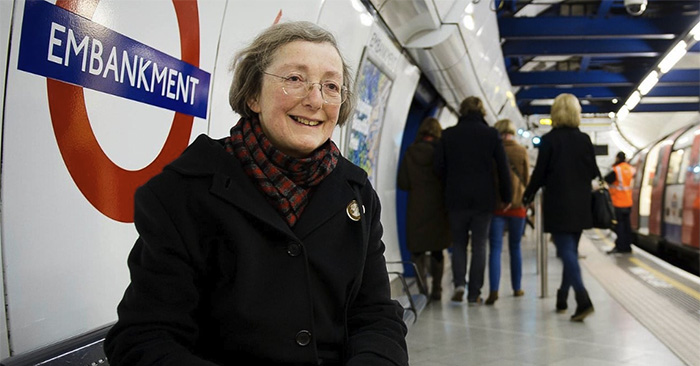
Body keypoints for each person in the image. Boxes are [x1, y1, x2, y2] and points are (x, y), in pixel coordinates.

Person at [104, 21, 409, 366]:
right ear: (252, 94)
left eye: (331, 86)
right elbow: (144, 337)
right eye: (295, 79)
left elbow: (375, 315)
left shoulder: (357, 195)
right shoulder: (183, 193)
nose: (315, 100)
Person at [522, 93, 599, 322]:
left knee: (566, 252)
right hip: (581, 203)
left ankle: (583, 299)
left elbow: (539, 174)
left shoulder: (549, 140)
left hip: (558, 202)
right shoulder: (584, 139)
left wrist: (527, 195)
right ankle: (563, 297)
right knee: (570, 252)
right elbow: (593, 171)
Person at [435, 96, 512, 305]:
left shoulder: (448, 135)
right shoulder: (491, 134)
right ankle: (474, 293)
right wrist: (507, 196)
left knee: (458, 243)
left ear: (461, 110)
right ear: (482, 112)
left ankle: (460, 284)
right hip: (483, 199)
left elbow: (439, 168)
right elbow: (503, 169)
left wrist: (446, 190)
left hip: (455, 198)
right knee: (480, 245)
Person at [397, 117, 451, 301]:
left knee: (417, 251)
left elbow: (403, 183)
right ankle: (437, 289)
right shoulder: (441, 152)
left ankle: (422, 290)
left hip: (416, 208)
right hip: (438, 207)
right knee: (437, 250)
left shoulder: (411, 152)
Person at [485, 119, 529, 305]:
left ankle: (494, 290)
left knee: (495, 249)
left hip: (497, 206)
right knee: (515, 247)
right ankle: (516, 287)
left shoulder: (492, 149)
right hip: (517, 207)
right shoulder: (521, 151)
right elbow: (526, 178)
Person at [605, 151, 635, 254]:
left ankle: (620, 246)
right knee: (627, 226)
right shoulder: (631, 169)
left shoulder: (616, 169)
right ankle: (627, 246)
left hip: (618, 202)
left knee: (619, 226)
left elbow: (606, 179)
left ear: (617, 158)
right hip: (628, 202)